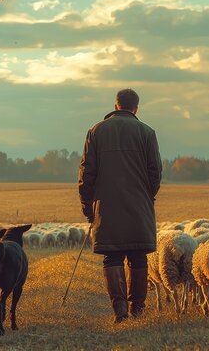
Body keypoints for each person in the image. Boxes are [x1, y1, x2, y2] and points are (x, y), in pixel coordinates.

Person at [78, 88, 162, 323]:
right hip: (139, 205)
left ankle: (120, 312)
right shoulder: (147, 132)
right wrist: (147, 196)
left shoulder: (96, 131)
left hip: (106, 206)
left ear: (116, 106)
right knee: (138, 256)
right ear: (136, 108)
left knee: (112, 257)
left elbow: (87, 172)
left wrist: (87, 205)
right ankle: (138, 309)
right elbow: (155, 171)